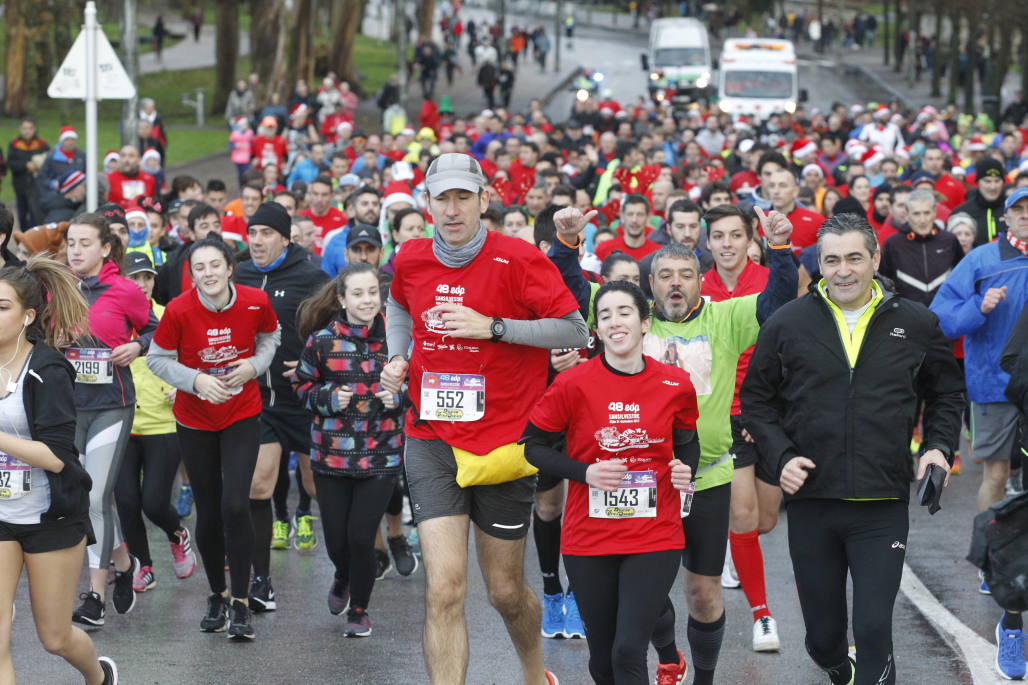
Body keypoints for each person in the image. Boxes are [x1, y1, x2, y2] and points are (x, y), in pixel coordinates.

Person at [548, 203, 796, 685]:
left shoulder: (727, 316)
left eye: (686, 274)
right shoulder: (630, 317)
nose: (676, 283)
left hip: (706, 475)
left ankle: (701, 678)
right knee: (643, 588)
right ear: (650, 284)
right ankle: (667, 654)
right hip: (641, 477)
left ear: (701, 280)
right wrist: (567, 244)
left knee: (703, 593)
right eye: (665, 276)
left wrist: (782, 248)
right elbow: (575, 292)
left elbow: (779, 302)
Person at [381, 153, 588, 684]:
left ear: (484, 200)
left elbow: (572, 331)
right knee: (444, 588)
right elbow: (399, 304)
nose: (452, 210)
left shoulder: (518, 259)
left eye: (463, 198)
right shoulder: (410, 258)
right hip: (431, 438)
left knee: (503, 591)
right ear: (427, 204)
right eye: (441, 199)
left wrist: (494, 328)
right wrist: (399, 355)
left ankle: (533, 670)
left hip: (503, 444)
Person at [741, 212, 965, 685]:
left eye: (854, 259)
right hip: (813, 501)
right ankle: (838, 671)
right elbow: (756, 401)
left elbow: (946, 392)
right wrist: (780, 456)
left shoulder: (916, 323)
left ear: (875, 259)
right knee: (823, 639)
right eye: (832, 260)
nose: (843, 270)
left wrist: (938, 446)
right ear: (819, 263)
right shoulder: (788, 323)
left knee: (873, 626)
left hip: (881, 501)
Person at [522, 281, 700, 684]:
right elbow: (532, 447)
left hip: (654, 534)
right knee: (602, 662)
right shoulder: (572, 384)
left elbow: (688, 444)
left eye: (624, 313)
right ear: (596, 331)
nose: (615, 322)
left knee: (627, 653)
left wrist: (684, 469)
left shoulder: (675, 383)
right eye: (604, 316)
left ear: (645, 323)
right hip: (589, 537)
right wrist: (585, 472)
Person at [146, 238, 281, 640]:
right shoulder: (179, 309)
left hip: (241, 413)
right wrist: (197, 380)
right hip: (195, 418)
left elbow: (271, 338)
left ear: (228, 268)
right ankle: (217, 595)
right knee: (207, 510)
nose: (207, 273)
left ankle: (241, 601)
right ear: (192, 273)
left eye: (214, 265)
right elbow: (156, 358)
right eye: (199, 267)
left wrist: (253, 367)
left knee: (236, 504)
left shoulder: (256, 301)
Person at [0, 255, 119, 684]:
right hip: (1, 518)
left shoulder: (47, 368)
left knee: (54, 638)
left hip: (51, 517)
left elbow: (56, 457)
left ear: (27, 315)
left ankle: (98, 676)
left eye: (1, 307)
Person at [293, 262, 405, 636]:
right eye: (357, 293)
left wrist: (399, 398)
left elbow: (422, 388)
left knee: (361, 538)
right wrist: (328, 398)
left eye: (372, 292)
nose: (367, 300)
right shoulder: (321, 341)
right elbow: (302, 387)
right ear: (341, 299)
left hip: (382, 454)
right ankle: (342, 574)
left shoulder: (397, 341)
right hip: (332, 456)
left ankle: (359, 609)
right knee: (338, 542)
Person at [930, 186, 1028, 593]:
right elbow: (942, 316)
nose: (1025, 216)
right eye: (1018, 210)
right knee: (996, 473)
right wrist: (979, 307)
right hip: (995, 387)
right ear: (1004, 217)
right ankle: (991, 562)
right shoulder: (982, 260)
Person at [234, 202, 328, 612]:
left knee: (316, 487)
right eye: (252, 233)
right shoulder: (240, 275)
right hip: (261, 400)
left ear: (285, 239)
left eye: (266, 234)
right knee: (258, 485)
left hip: (305, 402)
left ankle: (348, 567)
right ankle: (262, 582)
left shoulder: (310, 277)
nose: (257, 241)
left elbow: (338, 326)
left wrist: (314, 364)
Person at [66, 214, 158, 629]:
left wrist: (138, 346)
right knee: (88, 499)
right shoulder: (58, 290)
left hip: (111, 405)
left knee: (95, 495)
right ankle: (124, 561)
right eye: (70, 242)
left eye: (85, 242)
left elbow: (158, 328)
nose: (75, 250)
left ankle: (95, 597)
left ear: (105, 248)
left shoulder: (124, 290)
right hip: (67, 409)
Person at [698, 204, 783, 653]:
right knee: (745, 516)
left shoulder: (769, 284)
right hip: (727, 415)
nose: (727, 244)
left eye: (736, 235)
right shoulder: (698, 287)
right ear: (707, 241)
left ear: (751, 240)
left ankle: (737, 544)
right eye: (718, 236)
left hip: (770, 412)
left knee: (765, 521)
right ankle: (762, 616)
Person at [113, 252, 196, 594]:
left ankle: (177, 533)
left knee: (153, 501)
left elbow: (192, 357)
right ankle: (142, 564)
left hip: (163, 422)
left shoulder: (169, 315)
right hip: (120, 419)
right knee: (127, 501)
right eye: (135, 277)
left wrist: (184, 386)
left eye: (147, 277)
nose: (142, 284)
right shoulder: (111, 318)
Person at [879, 188, 963, 307]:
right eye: (916, 214)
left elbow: (961, 279)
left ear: (934, 212)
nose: (922, 220)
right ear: (907, 214)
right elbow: (883, 284)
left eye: (927, 213)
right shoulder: (892, 244)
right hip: (908, 316)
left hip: (945, 315)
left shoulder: (949, 240)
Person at [7, 118, 49, 230]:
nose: (27, 131)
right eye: (24, 128)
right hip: (20, 184)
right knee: (22, 213)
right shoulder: (15, 144)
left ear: (34, 129)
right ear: (20, 129)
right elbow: (11, 163)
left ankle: (34, 236)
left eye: (30, 128)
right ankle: (24, 236)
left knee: (35, 212)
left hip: (36, 184)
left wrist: (36, 166)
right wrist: (25, 165)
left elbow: (48, 161)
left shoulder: (41, 143)